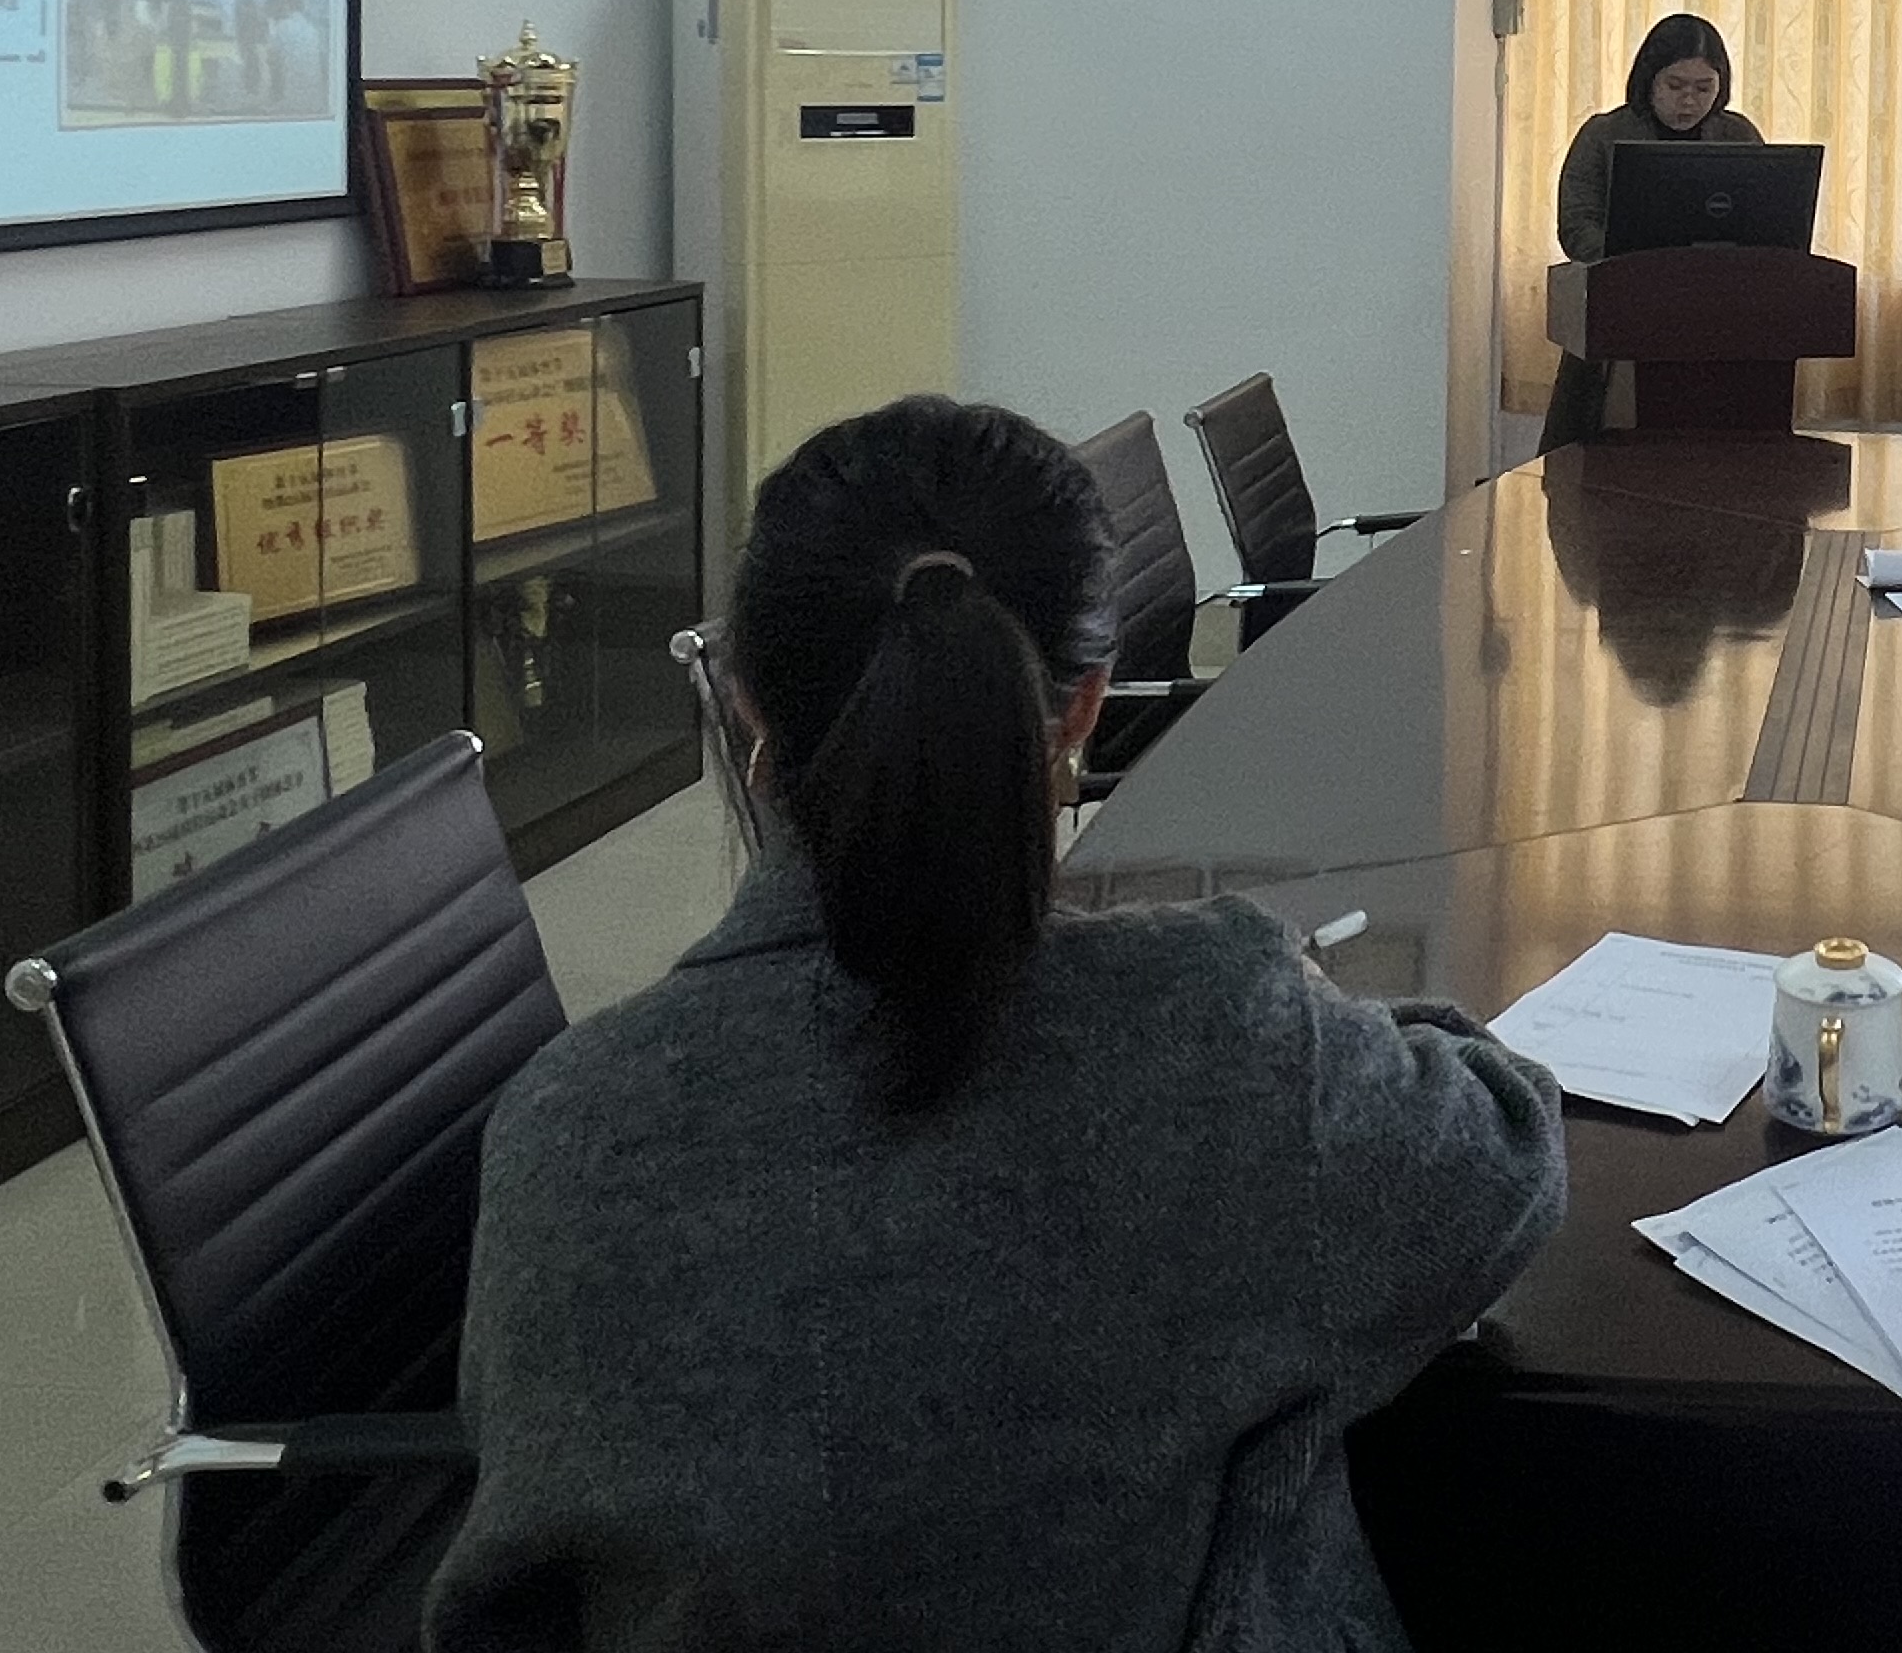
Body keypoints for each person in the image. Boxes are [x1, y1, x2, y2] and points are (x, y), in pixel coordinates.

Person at [432, 396, 1568, 1653]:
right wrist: (1298, 1009)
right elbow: (1505, 1158)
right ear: (1085, 707)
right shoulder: (1214, 1035)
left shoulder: (563, 1128)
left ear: (746, 700)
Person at [1540, 10, 1765, 451]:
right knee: (1605, 461)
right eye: (1675, 86)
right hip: (1622, 312)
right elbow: (1577, 225)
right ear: (1649, 80)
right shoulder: (1604, 134)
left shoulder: (1737, 136)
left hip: (1715, 316)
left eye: (1704, 88)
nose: (1689, 101)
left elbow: (1766, 222)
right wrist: (1634, 262)